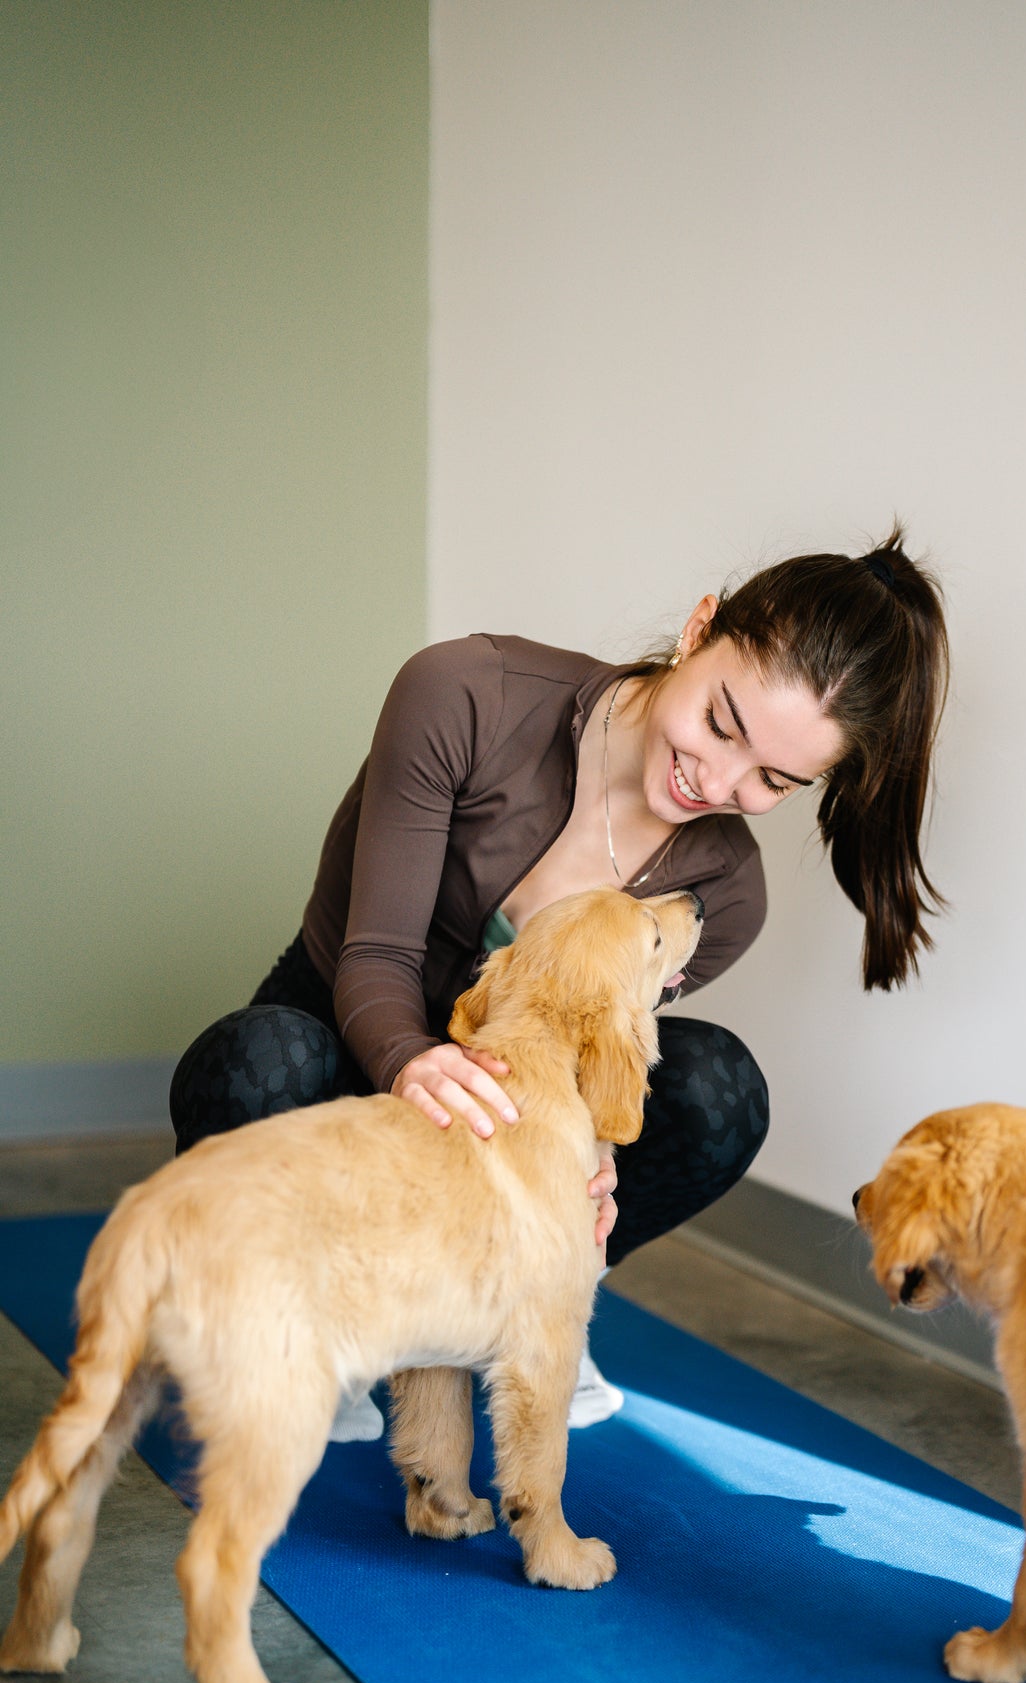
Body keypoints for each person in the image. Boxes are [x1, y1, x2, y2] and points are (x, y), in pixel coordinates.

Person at [169, 528, 950, 1434]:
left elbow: (590, 1056)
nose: (717, 779)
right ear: (699, 629)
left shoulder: (724, 894)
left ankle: (530, 1305)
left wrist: (587, 1169)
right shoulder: (465, 694)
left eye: (772, 778)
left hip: (505, 1118)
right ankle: (311, 1321)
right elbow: (375, 956)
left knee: (718, 1090)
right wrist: (412, 1064)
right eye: (720, 723)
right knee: (256, 1063)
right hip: (349, 1037)